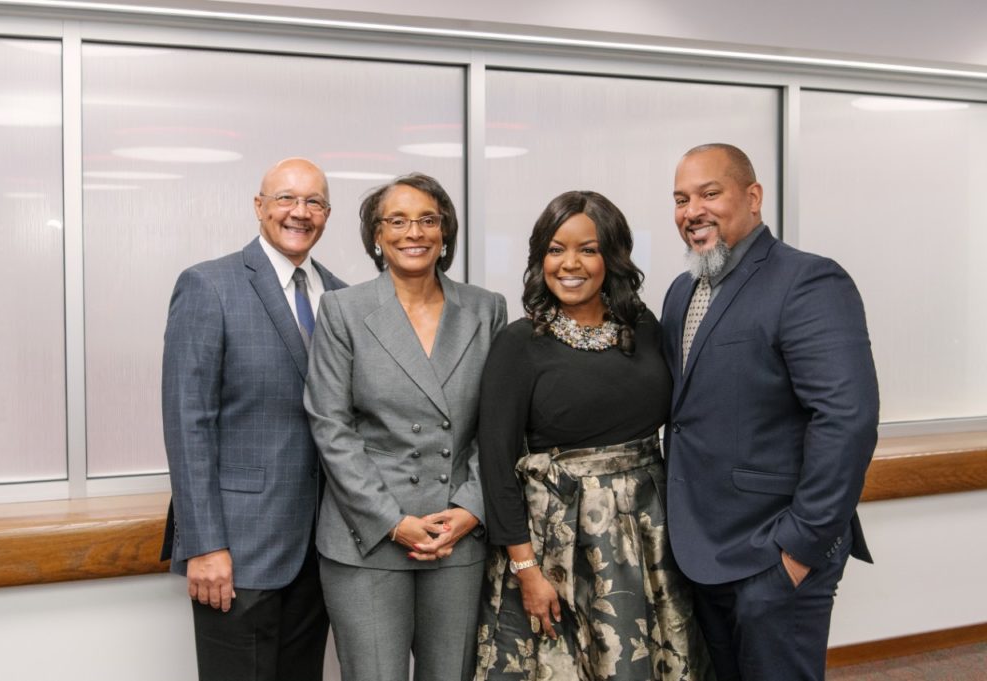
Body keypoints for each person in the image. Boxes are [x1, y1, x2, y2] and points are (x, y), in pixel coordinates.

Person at [660, 143, 880, 681]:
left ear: (753, 197)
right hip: (702, 550)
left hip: (774, 553)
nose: (692, 211)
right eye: (681, 199)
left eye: (710, 193)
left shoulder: (807, 281)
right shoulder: (680, 293)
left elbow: (846, 420)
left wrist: (798, 551)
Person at [475, 190, 713, 681]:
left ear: (613, 256)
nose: (570, 263)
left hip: (653, 535)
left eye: (587, 249)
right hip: (557, 545)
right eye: (556, 249)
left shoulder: (645, 327)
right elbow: (497, 465)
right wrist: (527, 571)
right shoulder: (518, 344)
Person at [304, 172, 507, 681]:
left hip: (456, 535)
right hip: (367, 538)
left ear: (445, 234)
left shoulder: (487, 309)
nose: (412, 232)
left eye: (427, 220)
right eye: (396, 221)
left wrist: (469, 511)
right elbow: (331, 425)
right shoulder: (343, 310)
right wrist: (391, 520)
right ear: (376, 234)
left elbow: (502, 426)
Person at [161, 157, 346, 680]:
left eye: (314, 201)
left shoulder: (341, 296)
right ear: (259, 206)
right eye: (286, 198)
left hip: (320, 549)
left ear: (327, 215)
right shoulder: (209, 286)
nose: (299, 212)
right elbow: (187, 423)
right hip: (237, 550)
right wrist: (205, 545)